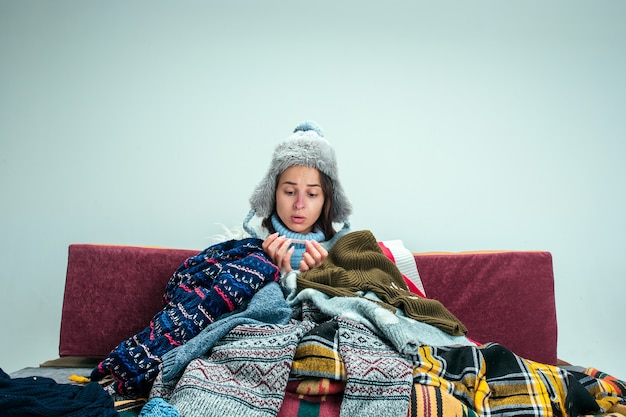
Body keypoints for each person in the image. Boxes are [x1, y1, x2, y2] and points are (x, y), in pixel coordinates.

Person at [242, 120, 353, 273]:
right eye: (289, 192)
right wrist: (271, 269)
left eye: (312, 194)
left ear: (327, 200)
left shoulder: (345, 253)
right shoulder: (246, 248)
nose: (299, 204)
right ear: (272, 193)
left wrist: (319, 276)